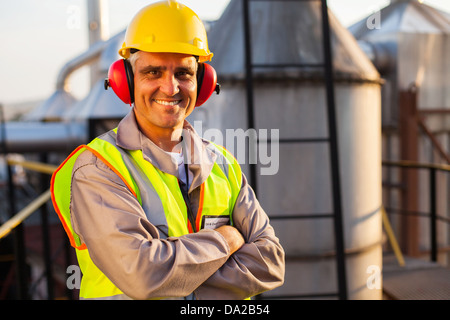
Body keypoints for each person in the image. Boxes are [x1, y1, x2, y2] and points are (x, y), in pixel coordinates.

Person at [51, 0, 284, 300]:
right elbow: (146, 277)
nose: (171, 88)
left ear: (202, 83)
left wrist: (175, 273)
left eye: (184, 73)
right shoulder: (98, 168)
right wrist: (226, 240)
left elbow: (271, 262)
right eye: (153, 72)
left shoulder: (224, 165)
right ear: (126, 81)